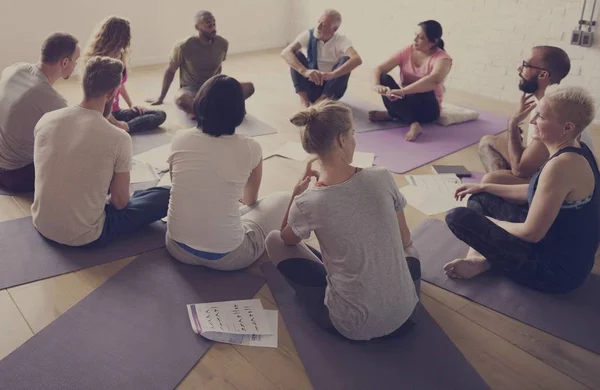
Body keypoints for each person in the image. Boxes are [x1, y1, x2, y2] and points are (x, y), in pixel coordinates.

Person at [265, 99, 421, 341]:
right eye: (353, 133)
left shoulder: (308, 201)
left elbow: (285, 239)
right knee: (411, 249)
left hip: (353, 326)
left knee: (273, 239)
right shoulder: (382, 177)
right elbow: (405, 239)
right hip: (406, 309)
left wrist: (296, 195)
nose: (354, 139)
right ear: (341, 139)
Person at [445, 85, 598, 293]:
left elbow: (531, 233)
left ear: (567, 127)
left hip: (555, 271)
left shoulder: (562, 165)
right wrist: (486, 186)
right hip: (552, 238)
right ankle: (481, 260)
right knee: (479, 198)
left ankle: (482, 260)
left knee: (458, 217)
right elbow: (535, 191)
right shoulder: (576, 148)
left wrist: (489, 222)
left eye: (541, 117)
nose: (533, 121)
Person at [32, 56, 170, 248]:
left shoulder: (47, 119)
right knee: (165, 195)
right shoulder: (118, 138)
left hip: (41, 222)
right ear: (113, 92)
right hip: (84, 235)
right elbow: (120, 203)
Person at [165, 74, 289, 271]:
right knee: (284, 199)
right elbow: (249, 200)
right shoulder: (250, 147)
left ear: (199, 104)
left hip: (176, 246)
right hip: (229, 257)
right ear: (239, 111)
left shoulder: (179, 138)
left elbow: (176, 183)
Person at [478, 46, 594, 184]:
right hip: (548, 169)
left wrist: (513, 124)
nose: (519, 68)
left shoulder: (552, 112)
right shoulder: (548, 102)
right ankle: (504, 194)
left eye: (525, 65)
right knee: (488, 142)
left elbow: (519, 169)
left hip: (563, 188)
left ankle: (512, 199)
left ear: (543, 75)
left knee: (492, 180)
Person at [0, 33, 79, 193]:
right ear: (65, 62)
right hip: (15, 176)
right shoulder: (52, 100)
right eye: (75, 61)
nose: (76, 65)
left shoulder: (14, 69)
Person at [147, 10, 255, 117]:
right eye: (209, 26)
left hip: (215, 86)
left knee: (249, 87)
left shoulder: (222, 43)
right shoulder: (183, 46)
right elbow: (170, 71)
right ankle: (217, 109)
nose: (213, 29)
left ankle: (202, 111)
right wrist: (161, 97)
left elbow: (218, 68)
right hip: (192, 90)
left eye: (214, 24)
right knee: (181, 100)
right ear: (197, 27)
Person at [369, 20, 452, 141]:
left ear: (433, 42)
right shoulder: (408, 50)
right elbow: (379, 69)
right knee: (383, 78)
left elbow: (433, 81)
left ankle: (395, 115)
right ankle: (408, 120)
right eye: (415, 35)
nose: (414, 40)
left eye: (421, 38)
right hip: (406, 100)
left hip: (428, 109)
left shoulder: (443, 59)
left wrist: (403, 91)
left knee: (423, 86)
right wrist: (376, 85)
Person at [82, 16, 166, 133]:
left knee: (159, 114)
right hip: (102, 113)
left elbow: (119, 84)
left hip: (116, 112)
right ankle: (121, 128)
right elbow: (96, 100)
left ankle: (123, 128)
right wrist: (114, 121)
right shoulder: (96, 62)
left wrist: (132, 104)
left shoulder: (119, 55)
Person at [281, 9, 362, 107]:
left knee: (346, 60)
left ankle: (322, 102)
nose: (318, 27)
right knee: (295, 55)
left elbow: (357, 59)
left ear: (334, 29)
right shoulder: (309, 34)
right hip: (310, 83)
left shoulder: (341, 40)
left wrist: (332, 74)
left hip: (331, 89)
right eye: (318, 22)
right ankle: (304, 101)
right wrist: (305, 71)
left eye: (323, 25)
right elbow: (285, 52)